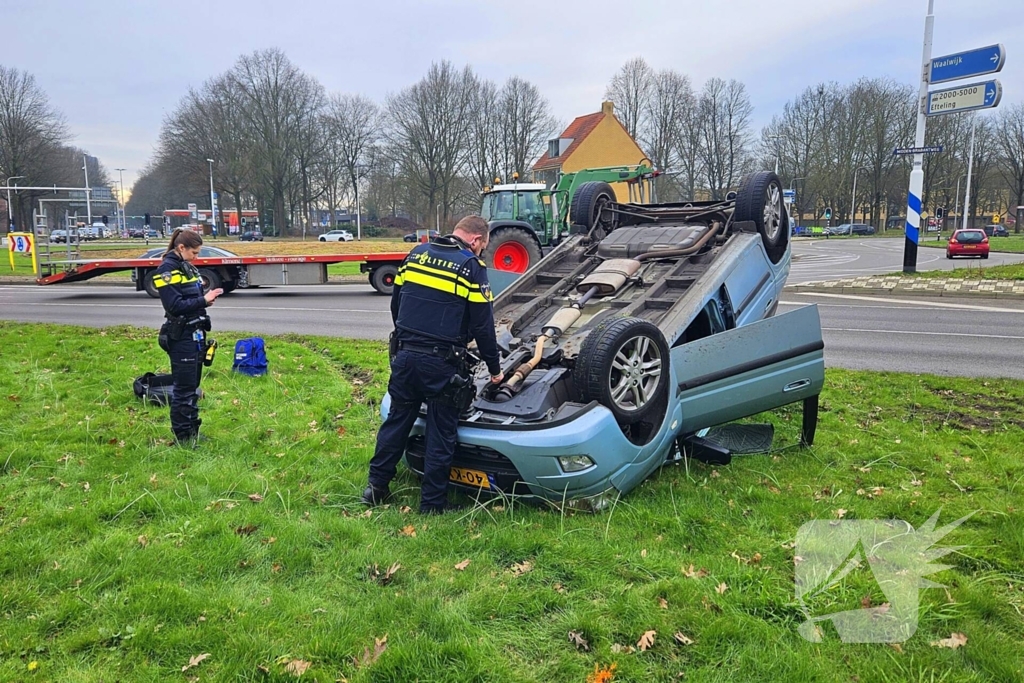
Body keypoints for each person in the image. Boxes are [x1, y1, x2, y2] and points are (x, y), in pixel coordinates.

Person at [363, 215, 504, 514]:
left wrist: (407, 338)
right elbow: (483, 326)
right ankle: (432, 505)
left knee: (397, 423)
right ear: (476, 240)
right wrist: (495, 369)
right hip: (442, 364)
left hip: (404, 356)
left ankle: (375, 487)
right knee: (441, 433)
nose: (481, 252)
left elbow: (396, 305)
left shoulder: (416, 255)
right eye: (483, 247)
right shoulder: (470, 267)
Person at [154, 229, 223, 445]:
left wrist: (204, 300)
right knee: (183, 391)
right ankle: (183, 438)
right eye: (194, 252)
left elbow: (190, 296)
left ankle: (193, 431)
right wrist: (204, 300)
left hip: (195, 334)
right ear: (181, 248)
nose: (197, 256)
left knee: (192, 387)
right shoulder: (166, 269)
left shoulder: (186, 266)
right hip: (181, 336)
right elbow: (174, 305)